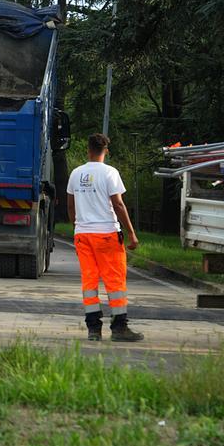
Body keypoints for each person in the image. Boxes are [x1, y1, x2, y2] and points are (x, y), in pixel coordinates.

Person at [66, 133, 143, 342]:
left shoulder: (76, 174)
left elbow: (70, 206)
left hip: (83, 235)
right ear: (105, 151)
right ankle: (119, 328)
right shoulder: (110, 173)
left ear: (88, 150)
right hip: (107, 235)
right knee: (115, 281)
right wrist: (131, 233)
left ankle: (93, 329)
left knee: (89, 281)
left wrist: (77, 227)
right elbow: (118, 204)